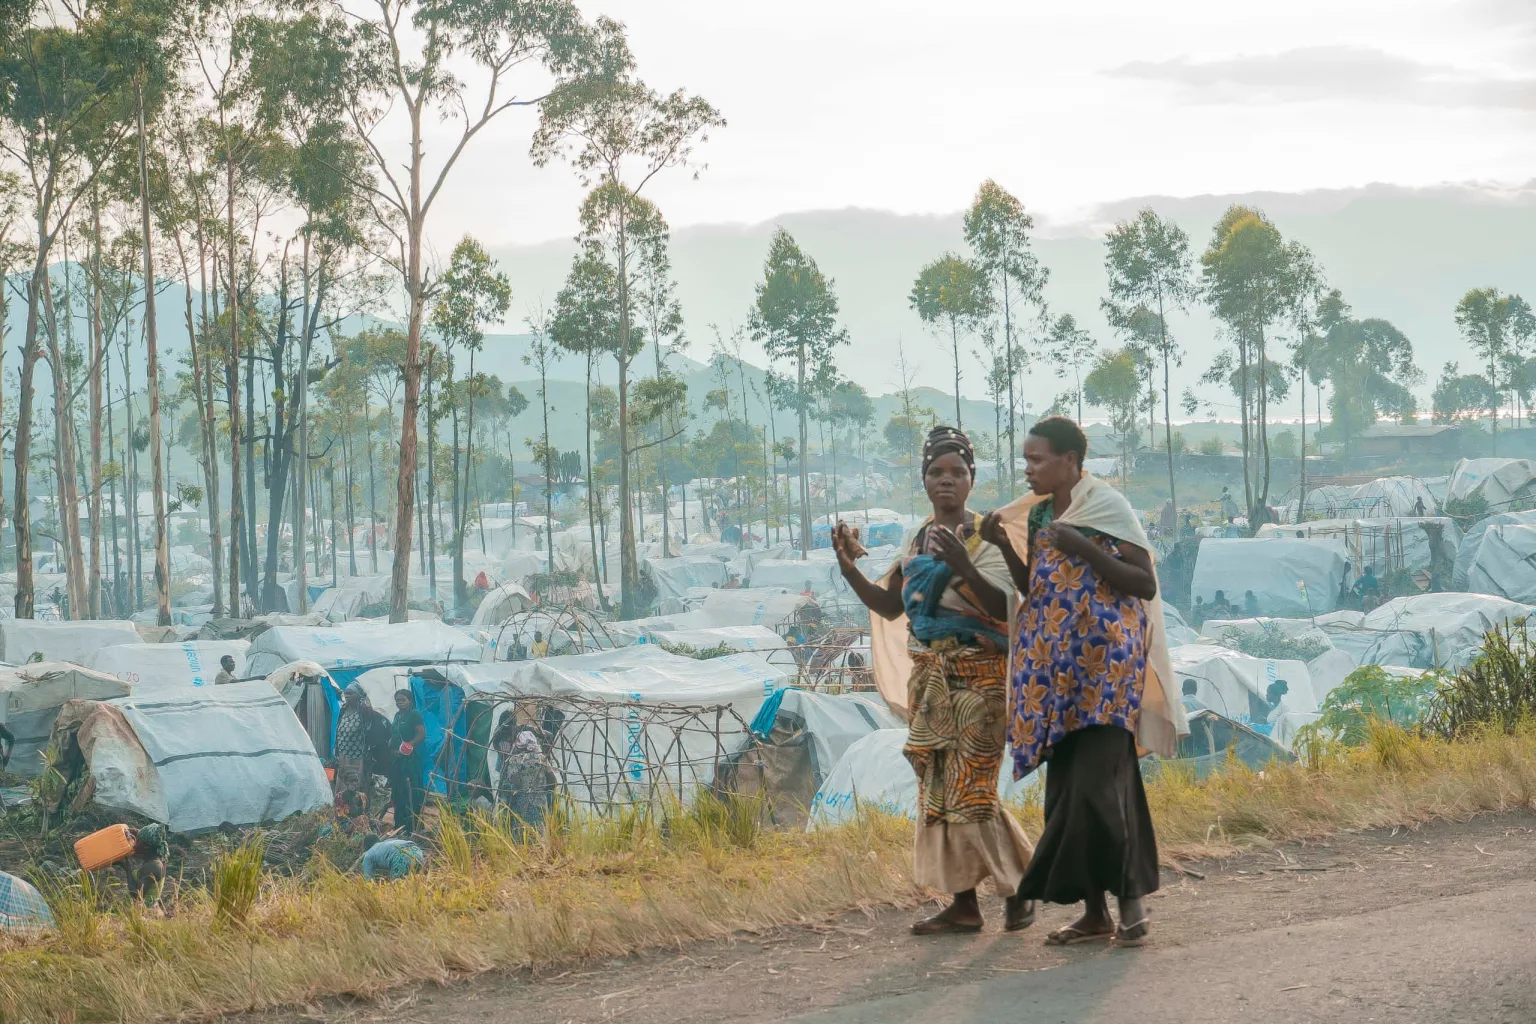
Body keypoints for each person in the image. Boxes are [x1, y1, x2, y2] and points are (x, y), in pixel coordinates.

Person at [981, 415, 1182, 949]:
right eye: (1026, 460)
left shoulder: (1107, 506)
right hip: (1054, 677)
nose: (1029, 469)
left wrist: (1085, 546)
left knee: (1095, 788)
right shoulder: (1043, 513)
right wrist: (1004, 544)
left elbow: (1142, 581)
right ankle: (1095, 914)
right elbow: (1035, 586)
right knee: (1071, 788)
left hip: (1106, 672)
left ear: (1070, 460)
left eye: (1037, 459)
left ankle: (1128, 901)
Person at [835, 425, 1035, 936]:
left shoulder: (988, 535)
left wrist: (963, 564)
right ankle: (964, 904)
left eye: (957, 472)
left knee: (974, 793)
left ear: (972, 479)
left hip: (980, 680)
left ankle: (1022, 886)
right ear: (923, 480)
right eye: (935, 472)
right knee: (939, 793)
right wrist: (850, 571)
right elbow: (891, 606)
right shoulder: (918, 537)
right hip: (932, 682)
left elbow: (1005, 609)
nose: (946, 481)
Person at [332, 683, 391, 814]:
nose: (347, 696)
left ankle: (359, 815)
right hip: (344, 756)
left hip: (359, 757)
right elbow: (338, 731)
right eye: (346, 693)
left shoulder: (365, 711)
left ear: (358, 695)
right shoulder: (344, 709)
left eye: (350, 693)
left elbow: (381, 728)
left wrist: (372, 749)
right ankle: (342, 813)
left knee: (358, 787)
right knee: (343, 786)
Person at [492, 712, 553, 830]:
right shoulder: (500, 736)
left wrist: (542, 740)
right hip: (507, 772)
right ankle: (505, 827)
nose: (508, 730)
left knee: (517, 807)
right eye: (505, 727)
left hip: (517, 775)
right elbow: (505, 762)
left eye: (510, 726)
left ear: (515, 725)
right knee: (506, 803)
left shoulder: (522, 731)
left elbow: (548, 735)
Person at [389, 689, 427, 835]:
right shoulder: (397, 716)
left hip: (410, 760)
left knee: (411, 790)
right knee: (399, 791)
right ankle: (399, 824)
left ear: (410, 701)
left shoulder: (414, 715)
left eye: (403, 700)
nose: (399, 703)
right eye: (397, 700)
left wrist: (409, 745)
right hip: (398, 759)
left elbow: (421, 734)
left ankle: (413, 825)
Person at [126, 823, 169, 905]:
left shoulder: (153, 867)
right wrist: (138, 833)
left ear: (146, 847)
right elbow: (140, 848)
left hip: (143, 913)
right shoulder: (157, 856)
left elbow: (137, 895)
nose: (134, 843)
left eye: (137, 841)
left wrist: (127, 868)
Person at [360, 834, 426, 881]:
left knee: (396, 887)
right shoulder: (387, 842)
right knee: (415, 883)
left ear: (366, 846)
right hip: (417, 852)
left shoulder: (368, 854)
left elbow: (368, 879)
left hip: (402, 857)